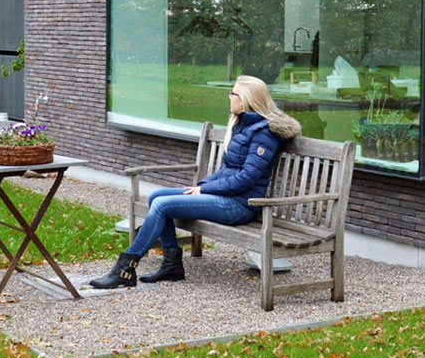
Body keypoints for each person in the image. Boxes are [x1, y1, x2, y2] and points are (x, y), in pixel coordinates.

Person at [89, 74, 301, 289]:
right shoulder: (244, 125)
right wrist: (202, 186)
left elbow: (247, 178)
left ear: (245, 99)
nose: (229, 97)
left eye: (232, 93)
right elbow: (228, 169)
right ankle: (171, 266)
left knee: (163, 205)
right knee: (155, 197)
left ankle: (126, 268)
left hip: (241, 205)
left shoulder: (264, 133)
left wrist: (205, 189)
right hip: (227, 197)